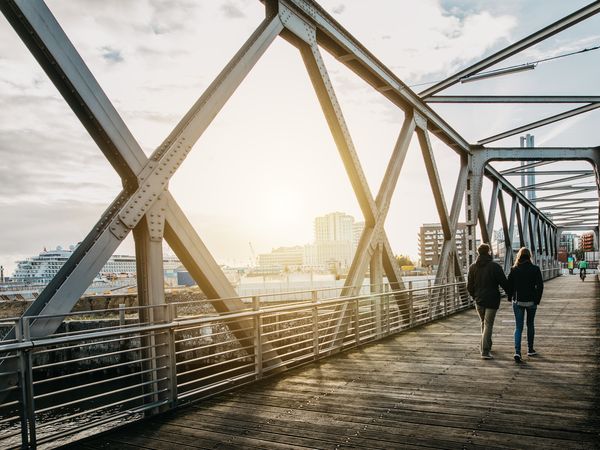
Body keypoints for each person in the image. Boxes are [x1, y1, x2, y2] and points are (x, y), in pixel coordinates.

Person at [467, 243, 509, 360]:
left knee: (483, 323)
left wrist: (474, 296)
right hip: (492, 300)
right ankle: (485, 351)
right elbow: (504, 283)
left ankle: (487, 345)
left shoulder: (472, 267)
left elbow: (469, 286)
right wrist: (510, 294)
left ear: (478, 253)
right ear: (489, 252)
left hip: (479, 301)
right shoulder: (495, 266)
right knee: (488, 324)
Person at [507, 247, 543, 362]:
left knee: (518, 327)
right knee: (530, 324)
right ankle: (530, 349)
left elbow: (509, 285)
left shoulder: (514, 269)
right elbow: (540, 286)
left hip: (518, 301)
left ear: (519, 256)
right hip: (531, 301)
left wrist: (510, 297)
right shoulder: (535, 269)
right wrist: (537, 300)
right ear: (529, 256)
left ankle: (517, 352)